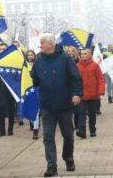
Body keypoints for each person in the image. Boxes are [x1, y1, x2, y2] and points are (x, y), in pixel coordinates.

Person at [31, 33, 83, 177]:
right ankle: (51, 165)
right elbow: (35, 80)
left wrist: (77, 94)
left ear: (51, 44)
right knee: (48, 136)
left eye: (42, 43)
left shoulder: (65, 58)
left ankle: (68, 157)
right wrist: (31, 75)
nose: (39, 45)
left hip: (64, 104)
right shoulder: (38, 59)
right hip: (47, 105)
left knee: (68, 135)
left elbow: (76, 78)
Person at [75, 49, 105, 138]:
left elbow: (100, 79)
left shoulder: (95, 66)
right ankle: (82, 131)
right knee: (81, 113)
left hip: (93, 95)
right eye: (81, 54)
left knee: (92, 114)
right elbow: (75, 80)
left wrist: (101, 91)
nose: (83, 55)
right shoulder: (77, 66)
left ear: (89, 54)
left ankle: (92, 130)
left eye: (85, 54)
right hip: (82, 95)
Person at [0, 43, 16, 137]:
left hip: (10, 89)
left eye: (4, 49)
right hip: (0, 88)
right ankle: (2, 129)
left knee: (11, 109)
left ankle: (10, 128)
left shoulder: (12, 61)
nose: (2, 50)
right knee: (1, 109)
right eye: (1, 49)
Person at [26, 50, 40, 140]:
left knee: (37, 110)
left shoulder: (38, 64)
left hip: (37, 89)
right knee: (30, 108)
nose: (30, 56)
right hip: (28, 89)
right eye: (28, 55)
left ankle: (35, 129)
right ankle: (33, 124)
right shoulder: (24, 66)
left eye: (32, 55)